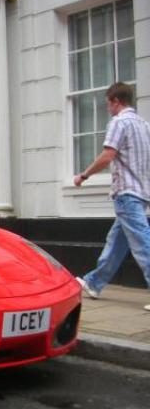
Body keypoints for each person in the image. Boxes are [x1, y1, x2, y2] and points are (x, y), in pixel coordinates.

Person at [74, 82, 150, 310]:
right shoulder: (144, 125)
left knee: (142, 242)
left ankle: (94, 281)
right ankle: (94, 282)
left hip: (126, 193)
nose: (107, 107)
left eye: (108, 103)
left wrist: (84, 175)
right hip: (142, 192)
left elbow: (108, 156)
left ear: (116, 101)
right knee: (117, 241)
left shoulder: (119, 122)